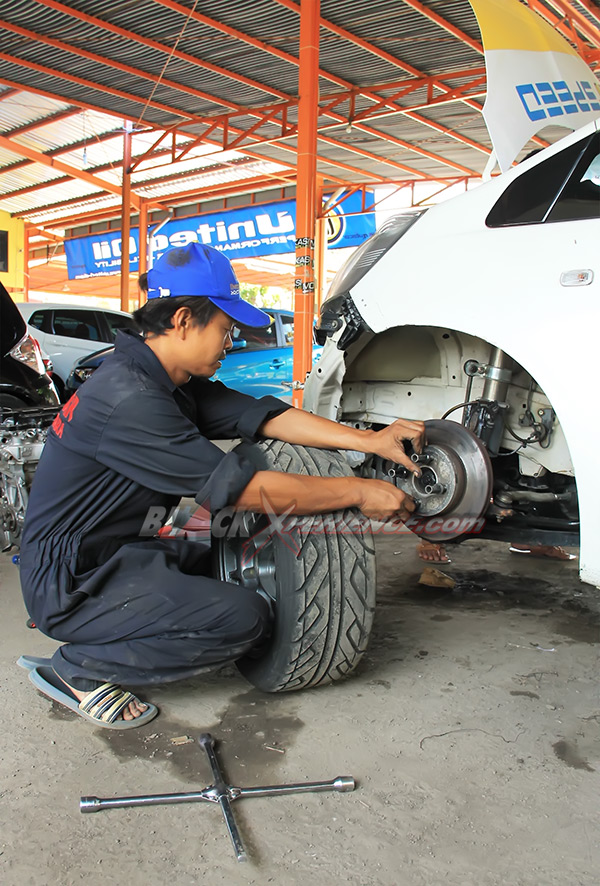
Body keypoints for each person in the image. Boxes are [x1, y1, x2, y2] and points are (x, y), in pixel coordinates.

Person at [19, 242, 425, 729]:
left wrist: (372, 441)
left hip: (126, 550)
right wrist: (359, 491)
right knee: (242, 618)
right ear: (186, 320)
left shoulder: (167, 381)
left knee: (230, 543)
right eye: (226, 328)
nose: (230, 342)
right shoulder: (129, 398)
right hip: (74, 581)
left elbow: (267, 416)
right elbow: (244, 489)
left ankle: (133, 616)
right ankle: (79, 669)